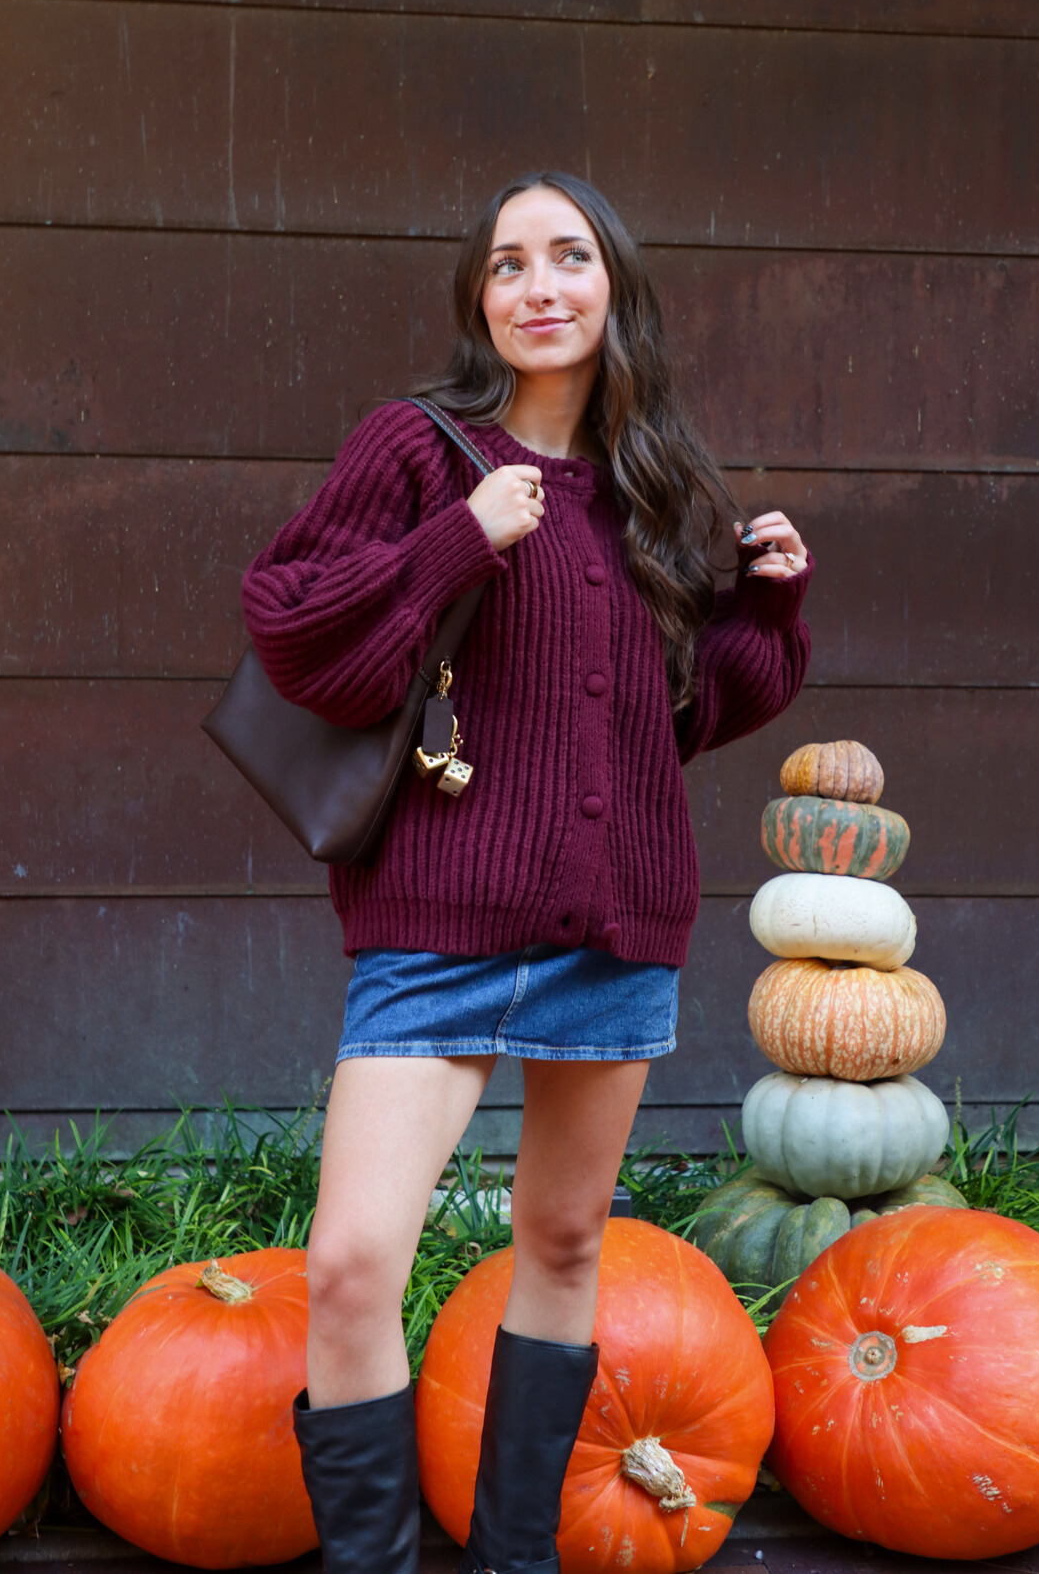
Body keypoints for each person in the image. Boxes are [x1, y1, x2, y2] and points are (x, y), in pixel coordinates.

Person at [240, 172, 812, 1574]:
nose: (537, 285)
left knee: (562, 1245)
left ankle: (514, 1559)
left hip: (614, 920)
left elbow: (679, 719)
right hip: (436, 922)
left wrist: (771, 605)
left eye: (567, 257)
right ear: (479, 299)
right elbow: (300, 632)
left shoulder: (656, 497)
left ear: (614, 288)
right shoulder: (419, 451)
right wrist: (458, 540)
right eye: (507, 264)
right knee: (352, 1260)